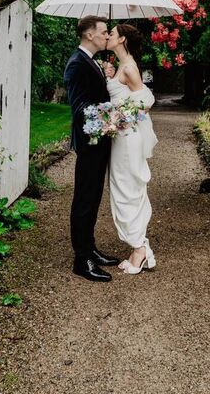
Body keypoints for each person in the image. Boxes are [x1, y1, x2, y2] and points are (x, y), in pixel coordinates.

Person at [63, 15, 121, 282]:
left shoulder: (92, 61)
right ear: (89, 34)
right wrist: (112, 116)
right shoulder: (76, 64)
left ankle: (91, 249)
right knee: (84, 199)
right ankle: (81, 259)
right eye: (103, 31)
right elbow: (79, 109)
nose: (106, 35)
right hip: (89, 142)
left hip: (100, 141)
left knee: (94, 196)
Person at [104, 23, 158, 274]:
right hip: (121, 136)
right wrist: (110, 76)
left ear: (122, 39)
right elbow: (125, 96)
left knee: (128, 187)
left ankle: (139, 250)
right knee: (122, 185)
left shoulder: (130, 68)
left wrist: (118, 119)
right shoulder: (122, 68)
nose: (108, 36)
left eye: (111, 33)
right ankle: (139, 245)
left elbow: (146, 101)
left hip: (127, 137)